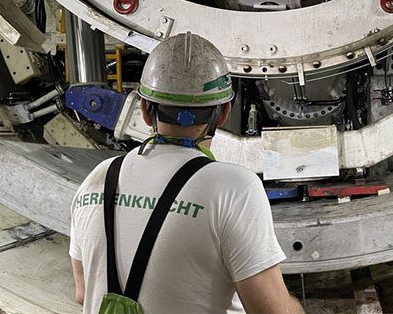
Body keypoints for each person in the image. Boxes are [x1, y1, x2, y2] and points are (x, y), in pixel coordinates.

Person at [69, 32, 303, 313]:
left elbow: (83, 293)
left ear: (144, 110)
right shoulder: (235, 189)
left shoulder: (98, 177)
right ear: (224, 112)